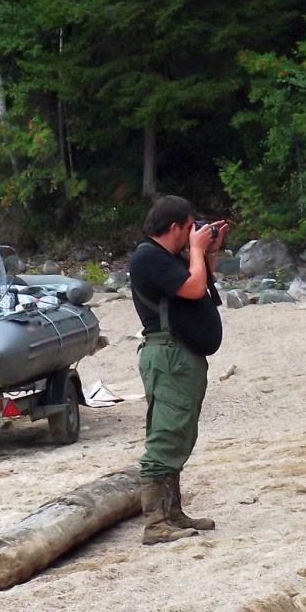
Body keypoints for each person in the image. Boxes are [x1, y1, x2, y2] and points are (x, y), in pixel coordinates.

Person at [129, 195, 230, 545]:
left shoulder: (166, 258)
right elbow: (193, 287)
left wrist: (208, 252)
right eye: (190, 227)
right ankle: (155, 524)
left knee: (180, 434)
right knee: (167, 435)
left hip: (181, 356)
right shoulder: (148, 257)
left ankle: (172, 513)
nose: (193, 233)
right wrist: (197, 250)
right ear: (175, 227)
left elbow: (200, 280)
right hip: (168, 356)